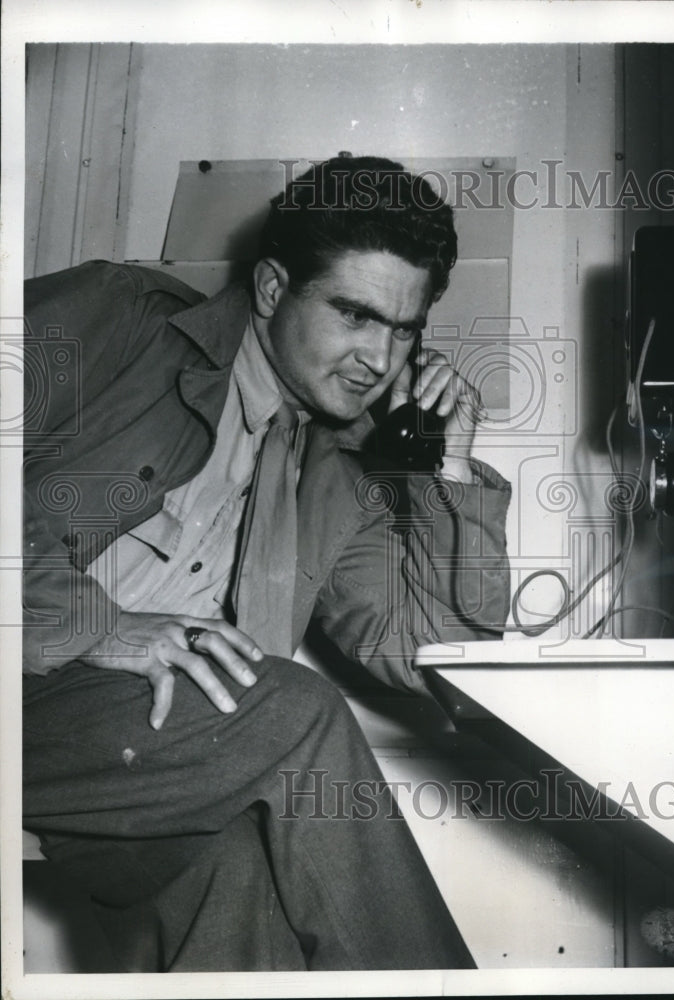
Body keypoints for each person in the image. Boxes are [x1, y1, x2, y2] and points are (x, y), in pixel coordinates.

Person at [22, 155, 512, 971]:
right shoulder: (121, 318)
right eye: (354, 314)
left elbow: (438, 664)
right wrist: (91, 623)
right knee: (293, 712)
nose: (378, 358)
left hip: (129, 753)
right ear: (274, 287)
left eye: (402, 329)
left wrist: (447, 473)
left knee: (234, 873)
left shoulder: (340, 470)